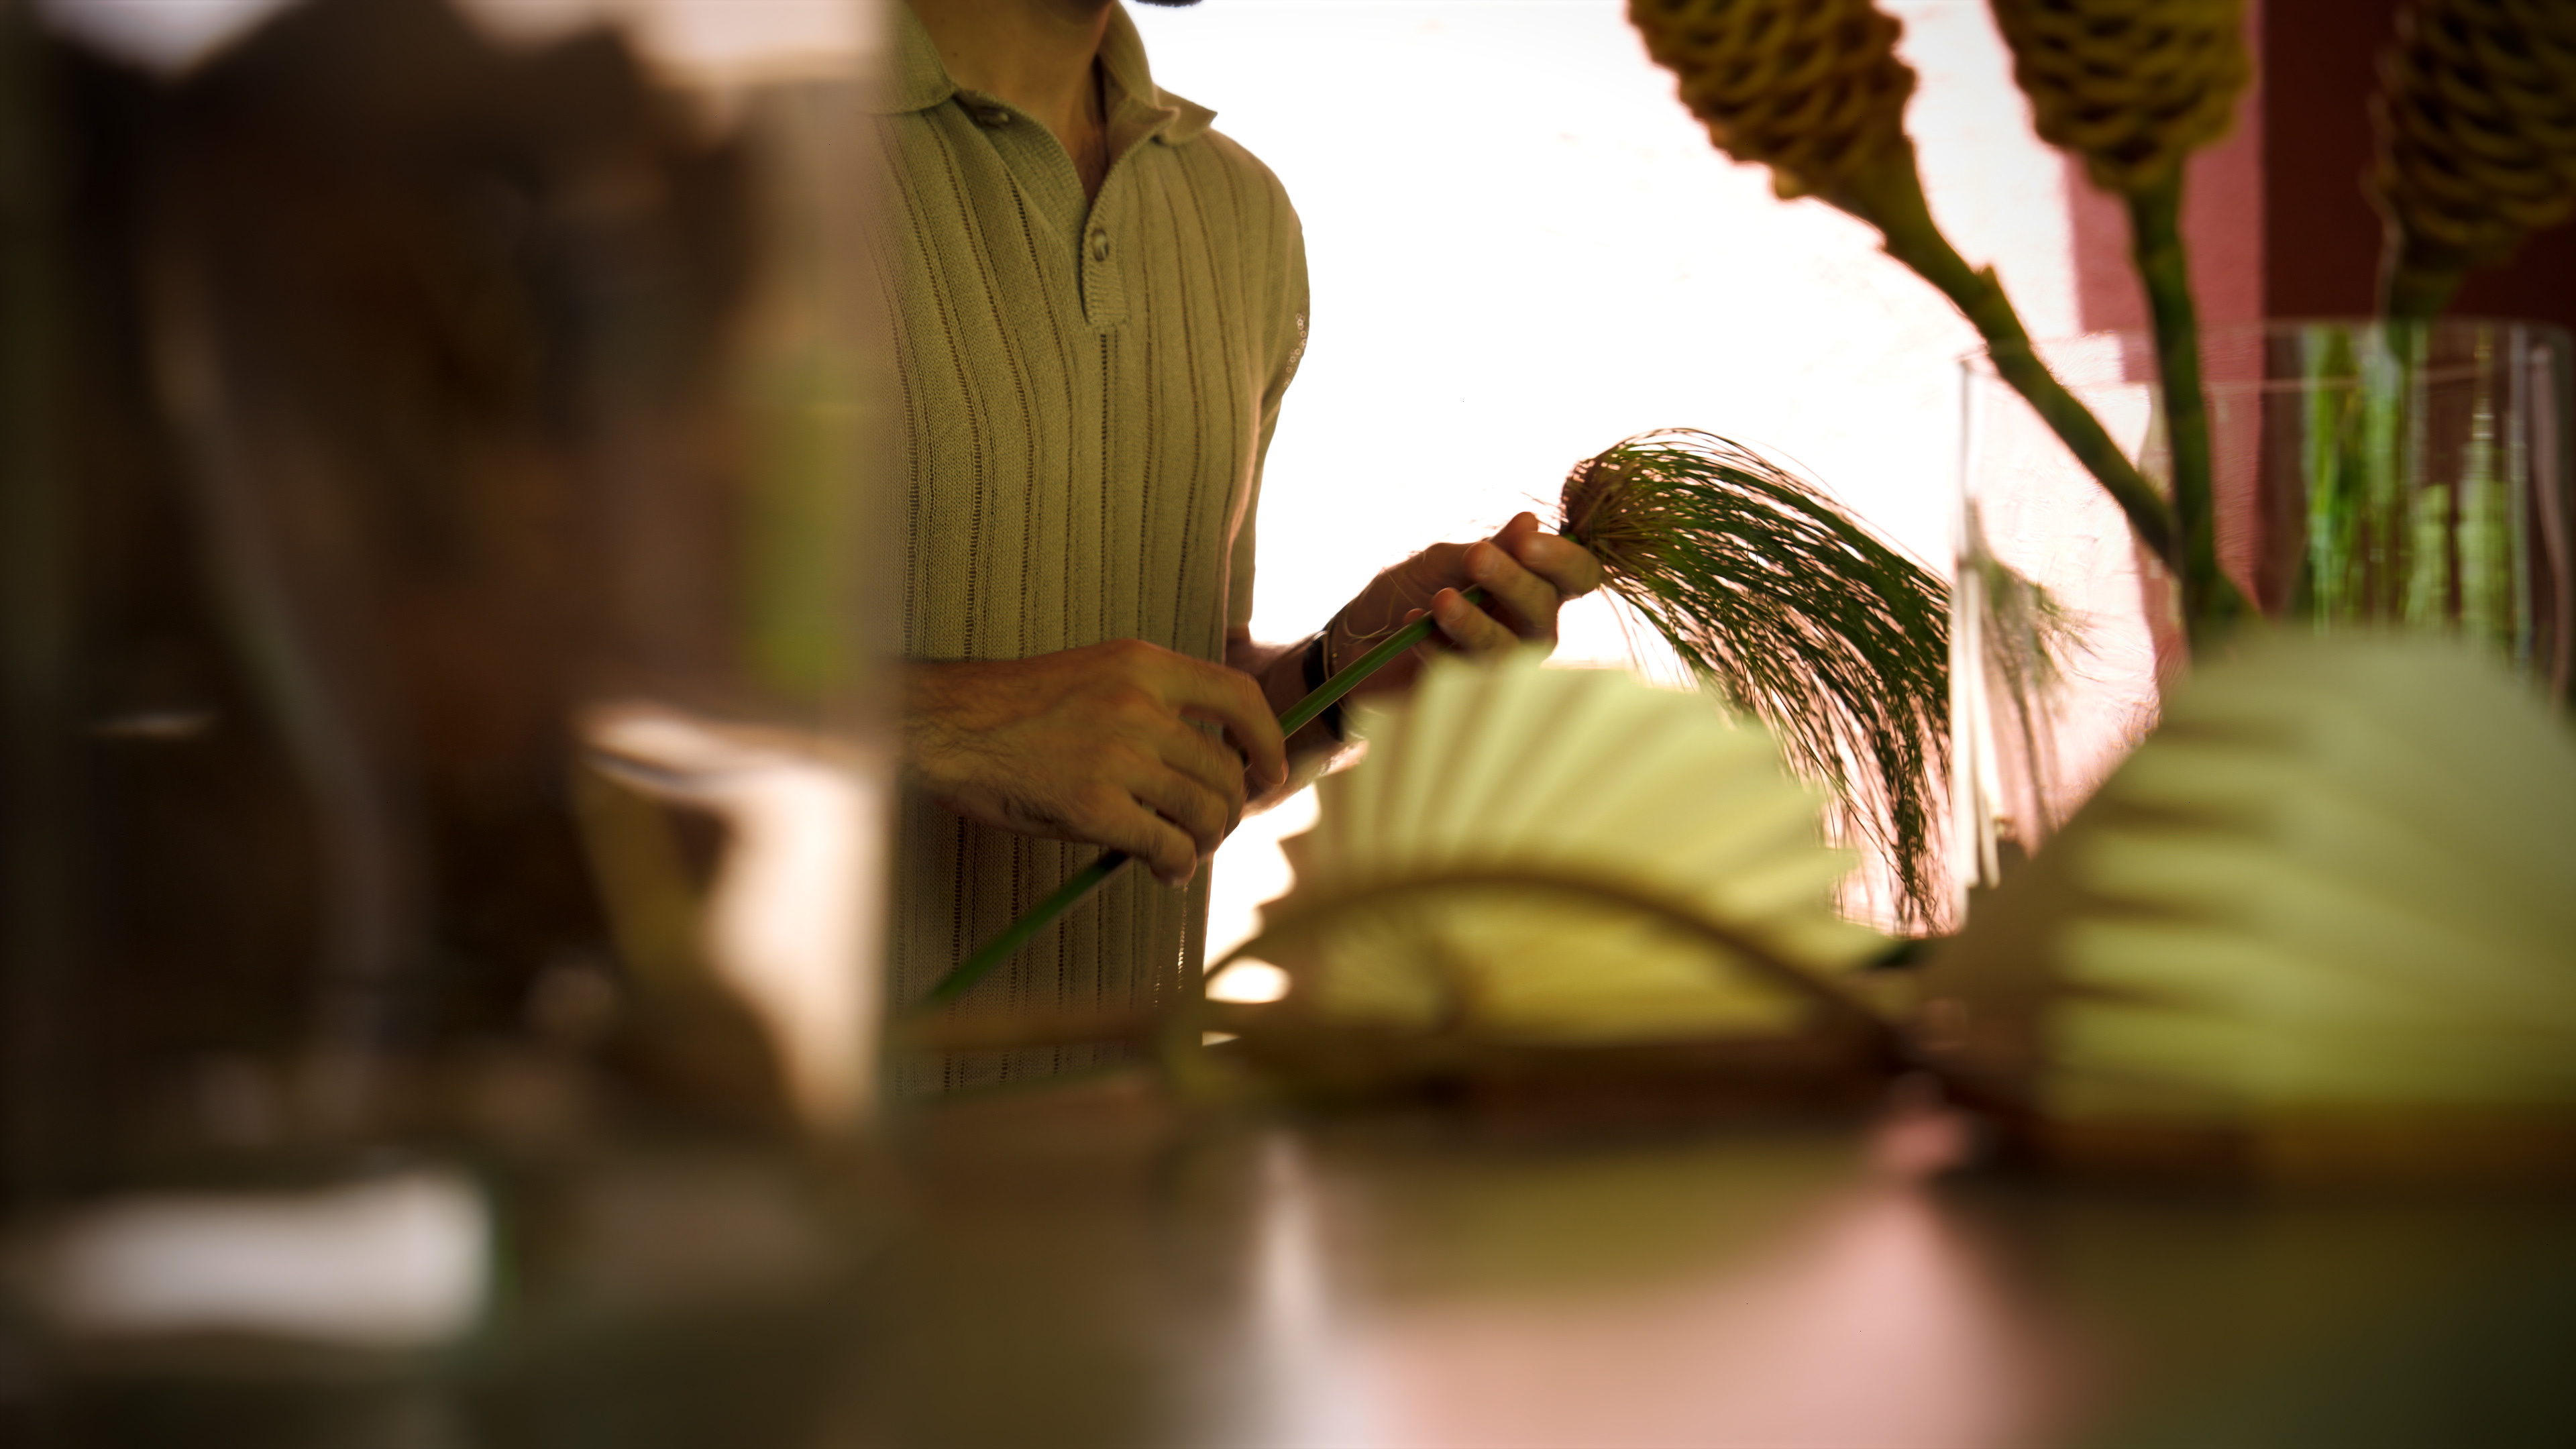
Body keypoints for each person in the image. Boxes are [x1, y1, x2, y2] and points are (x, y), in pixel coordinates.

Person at [871, 0, 1601, 1093]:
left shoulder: (1239, 212)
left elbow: (1169, 732)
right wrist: (948, 720)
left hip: (1123, 1149)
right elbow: (586, 690)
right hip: (743, 1164)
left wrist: (1340, 683)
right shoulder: (699, 146)